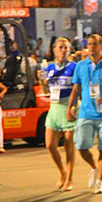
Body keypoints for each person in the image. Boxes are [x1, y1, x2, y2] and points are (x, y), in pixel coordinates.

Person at [67, 33, 102, 194]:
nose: (92, 47)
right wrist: (70, 108)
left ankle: (100, 181)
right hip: (86, 113)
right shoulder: (81, 66)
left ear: (101, 46)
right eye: (89, 44)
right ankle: (94, 168)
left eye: (95, 44)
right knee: (81, 146)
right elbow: (76, 89)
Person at [42, 37, 77, 190]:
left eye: (66, 48)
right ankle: (62, 172)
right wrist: (41, 82)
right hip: (54, 107)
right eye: (60, 48)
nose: (63, 51)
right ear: (54, 50)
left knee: (69, 145)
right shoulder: (49, 68)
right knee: (50, 145)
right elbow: (46, 91)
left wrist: (73, 107)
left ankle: (69, 178)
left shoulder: (75, 67)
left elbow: (78, 88)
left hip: (69, 105)